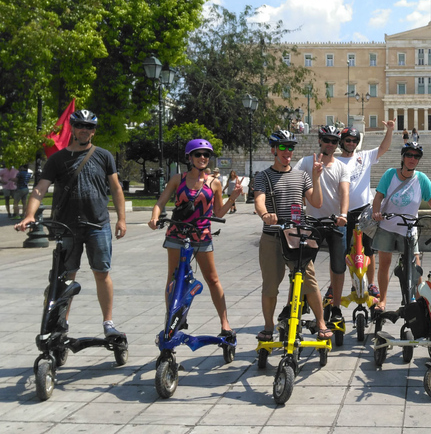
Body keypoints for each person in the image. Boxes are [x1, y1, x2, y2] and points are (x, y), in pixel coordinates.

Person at [16, 109, 127, 337]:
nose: (85, 130)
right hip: (67, 226)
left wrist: (121, 219)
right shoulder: (57, 159)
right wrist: (29, 215)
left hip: (98, 225)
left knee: (101, 272)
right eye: (80, 126)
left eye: (89, 127)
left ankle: (108, 323)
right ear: (73, 129)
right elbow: (40, 189)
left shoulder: (104, 156)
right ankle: (61, 326)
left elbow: (116, 189)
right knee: (66, 277)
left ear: (93, 132)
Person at [148, 139, 242, 338]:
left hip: (202, 235)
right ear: (189, 157)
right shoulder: (178, 179)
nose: (202, 158)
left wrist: (232, 198)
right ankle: (171, 319)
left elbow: (219, 212)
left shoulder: (213, 183)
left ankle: (225, 324)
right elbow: (160, 202)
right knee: (173, 278)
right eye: (198, 154)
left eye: (206, 155)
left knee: (212, 278)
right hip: (177, 233)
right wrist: (155, 217)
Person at [252, 130, 332, 341]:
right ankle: (269, 327)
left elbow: (316, 202)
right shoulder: (263, 176)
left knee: (310, 281)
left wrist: (316, 179)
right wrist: (265, 214)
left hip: (297, 235)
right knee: (271, 283)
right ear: (274, 150)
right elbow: (259, 200)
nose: (288, 152)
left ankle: (321, 322)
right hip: (273, 236)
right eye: (283, 148)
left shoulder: (301, 175)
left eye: (291, 148)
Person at [371, 142, 431, 312]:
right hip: (387, 226)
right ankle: (383, 300)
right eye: (409, 155)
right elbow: (378, 197)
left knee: (415, 265)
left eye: (416, 156)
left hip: (409, 229)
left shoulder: (421, 178)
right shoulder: (390, 174)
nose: (412, 159)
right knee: (384, 264)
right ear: (403, 157)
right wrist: (376, 213)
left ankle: (418, 299)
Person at [336, 120, 396, 299]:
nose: (351, 144)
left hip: (364, 210)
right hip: (343, 212)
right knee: (344, 250)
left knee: (369, 249)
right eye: (348, 140)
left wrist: (390, 130)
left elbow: (383, 148)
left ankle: (371, 284)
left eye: (354, 141)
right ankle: (350, 281)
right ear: (342, 142)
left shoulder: (363, 157)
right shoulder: (335, 161)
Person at [297, 126, 350, 328]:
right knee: (303, 265)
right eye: (327, 140)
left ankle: (336, 306)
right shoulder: (305, 162)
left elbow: (344, 193)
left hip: (334, 221)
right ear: (320, 140)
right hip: (311, 221)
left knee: (338, 267)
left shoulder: (341, 167)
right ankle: (301, 301)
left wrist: (344, 215)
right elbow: (295, 184)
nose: (330, 144)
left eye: (334, 141)